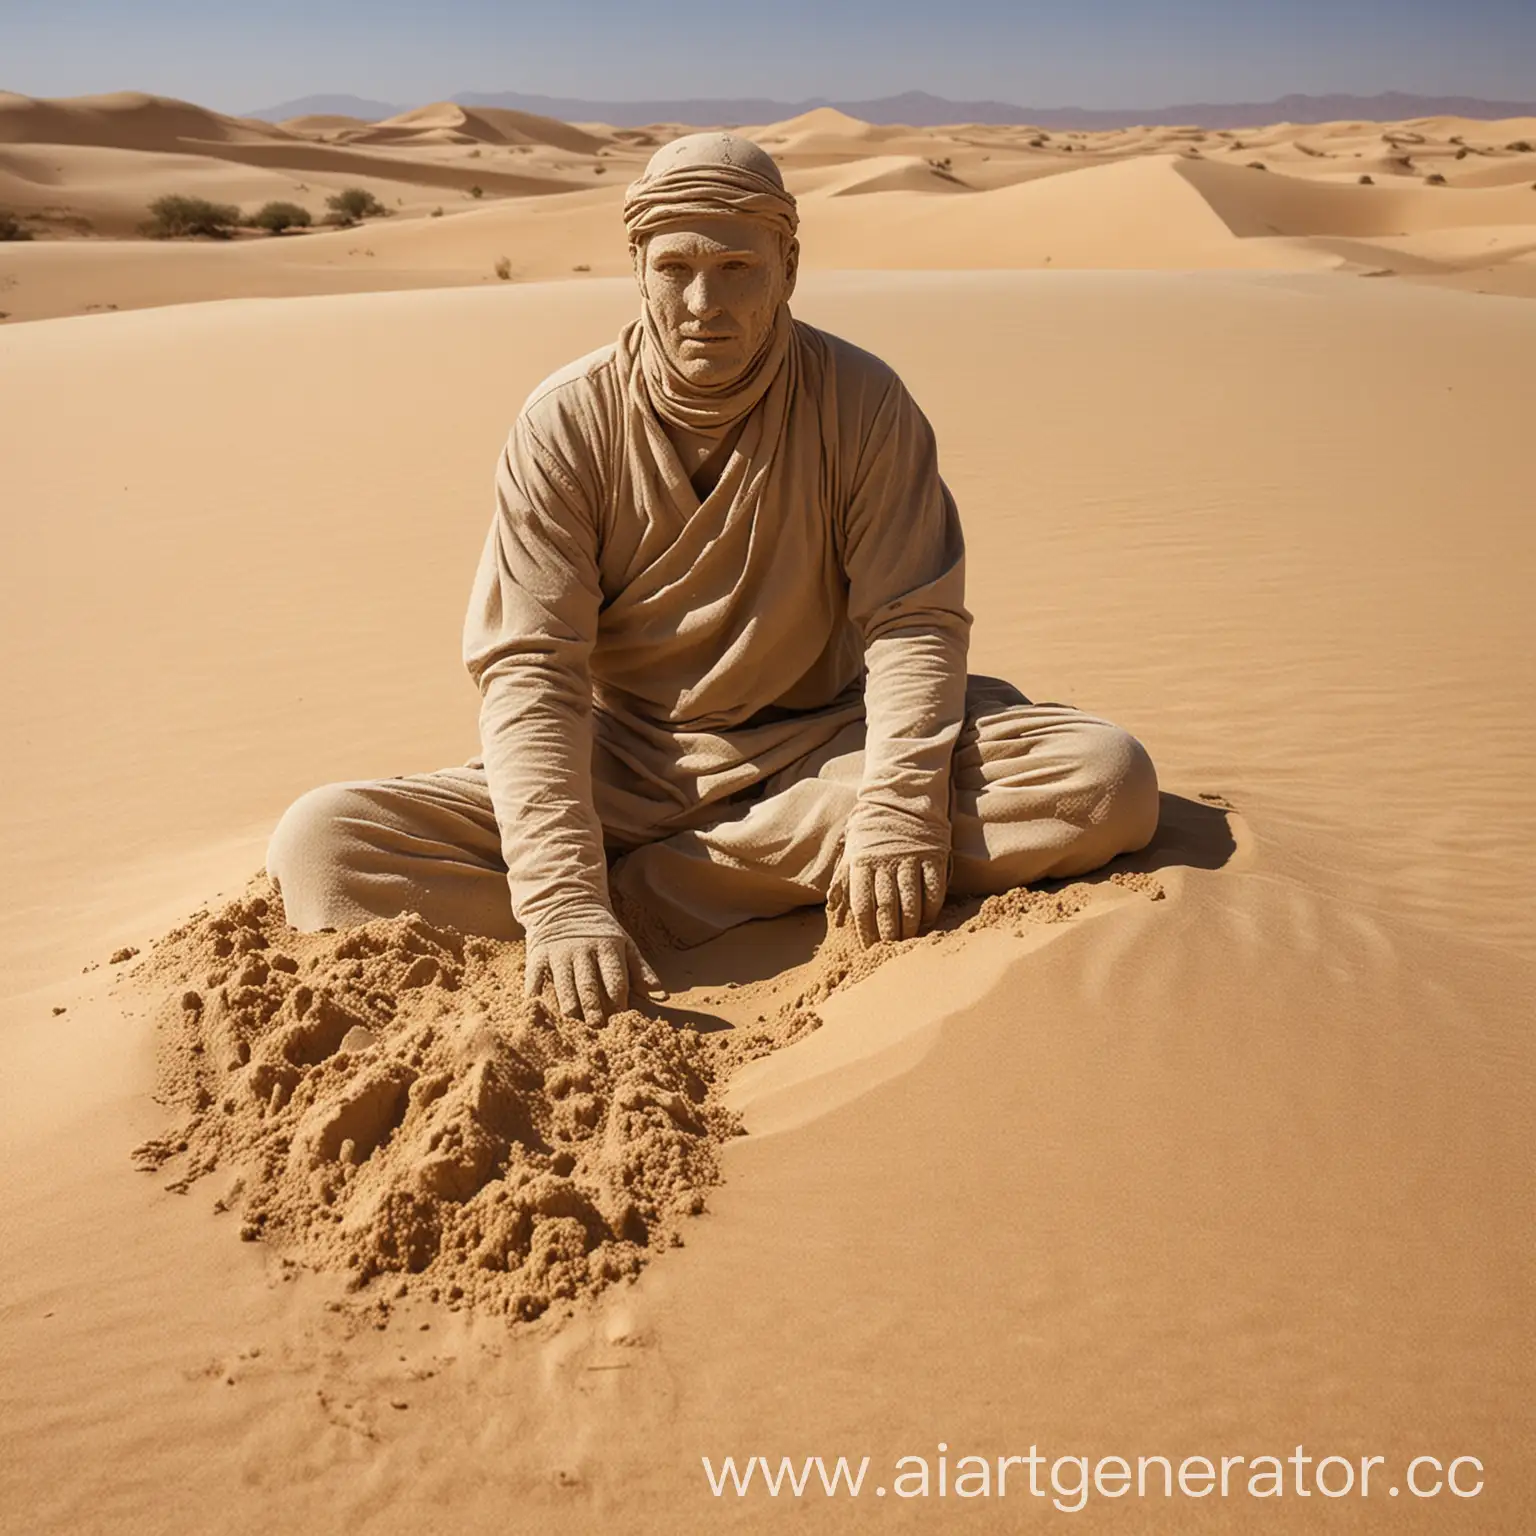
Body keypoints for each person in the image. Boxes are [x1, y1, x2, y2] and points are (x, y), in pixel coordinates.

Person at [267, 132, 1159, 1024]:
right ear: (636, 268)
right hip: (626, 761)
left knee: (1105, 780)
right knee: (323, 847)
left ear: (790, 266)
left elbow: (914, 623)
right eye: (675, 267)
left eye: (738, 265)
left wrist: (896, 809)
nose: (705, 302)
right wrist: (561, 902)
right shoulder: (565, 425)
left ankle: (655, 890)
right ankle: (671, 886)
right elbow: (532, 672)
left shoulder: (863, 403)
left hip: (830, 742)